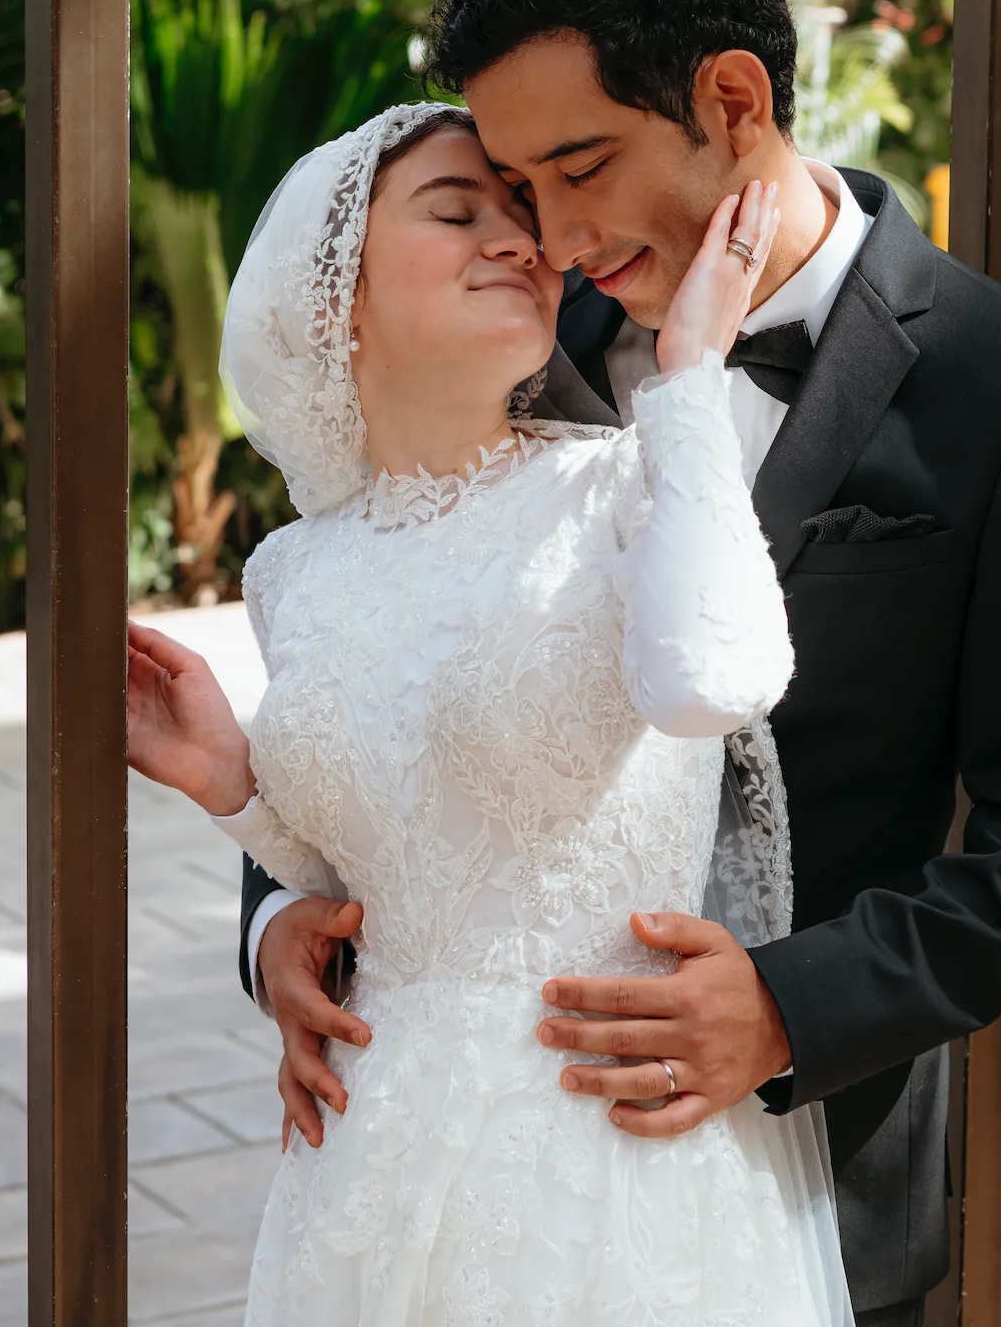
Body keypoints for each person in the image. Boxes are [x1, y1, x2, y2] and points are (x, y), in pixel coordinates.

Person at [240, 0, 1001, 1326]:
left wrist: (793, 1002)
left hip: (820, 1176)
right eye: (517, 181)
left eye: (580, 164)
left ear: (732, 96)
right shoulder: (530, 341)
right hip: (472, 1209)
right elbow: (379, 650)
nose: (548, 230)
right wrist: (281, 921)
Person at [127, 101, 857, 1324]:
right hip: (371, 1149)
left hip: (609, 1147)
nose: (518, 240)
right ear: (334, 301)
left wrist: (686, 386)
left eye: (521, 217)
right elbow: (402, 861)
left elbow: (713, 680)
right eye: (458, 212)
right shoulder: (293, 571)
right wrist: (234, 788)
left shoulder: (630, 481)